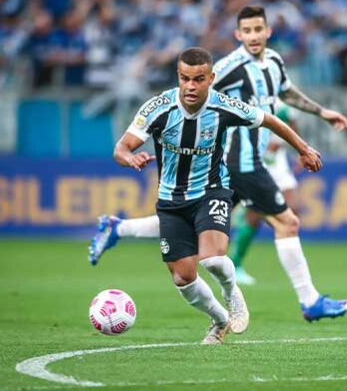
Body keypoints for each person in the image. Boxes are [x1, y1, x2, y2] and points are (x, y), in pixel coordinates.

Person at [90, 6, 347, 322]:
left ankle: (118, 227)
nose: (254, 36)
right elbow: (202, 102)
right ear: (238, 34)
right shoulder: (228, 68)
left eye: (259, 29)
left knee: (217, 224)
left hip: (240, 164)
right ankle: (305, 299)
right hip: (236, 160)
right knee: (286, 222)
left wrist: (321, 113)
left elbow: (284, 94)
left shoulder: (274, 62)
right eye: (248, 30)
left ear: (268, 31)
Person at [115, 47, 322, 344]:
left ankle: (231, 292)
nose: (190, 86)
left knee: (212, 259)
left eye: (199, 79)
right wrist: (129, 158)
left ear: (211, 78)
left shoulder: (224, 106)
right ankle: (219, 319)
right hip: (171, 201)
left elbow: (270, 120)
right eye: (185, 78)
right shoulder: (157, 109)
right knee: (183, 278)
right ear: (178, 76)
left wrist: (303, 148)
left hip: (211, 191)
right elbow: (121, 148)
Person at [230, 101, 301, 285]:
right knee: (256, 217)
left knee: (292, 210)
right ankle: (235, 264)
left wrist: (300, 150)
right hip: (255, 160)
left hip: (277, 163)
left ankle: (250, 209)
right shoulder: (251, 98)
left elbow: (292, 126)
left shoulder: (282, 104)